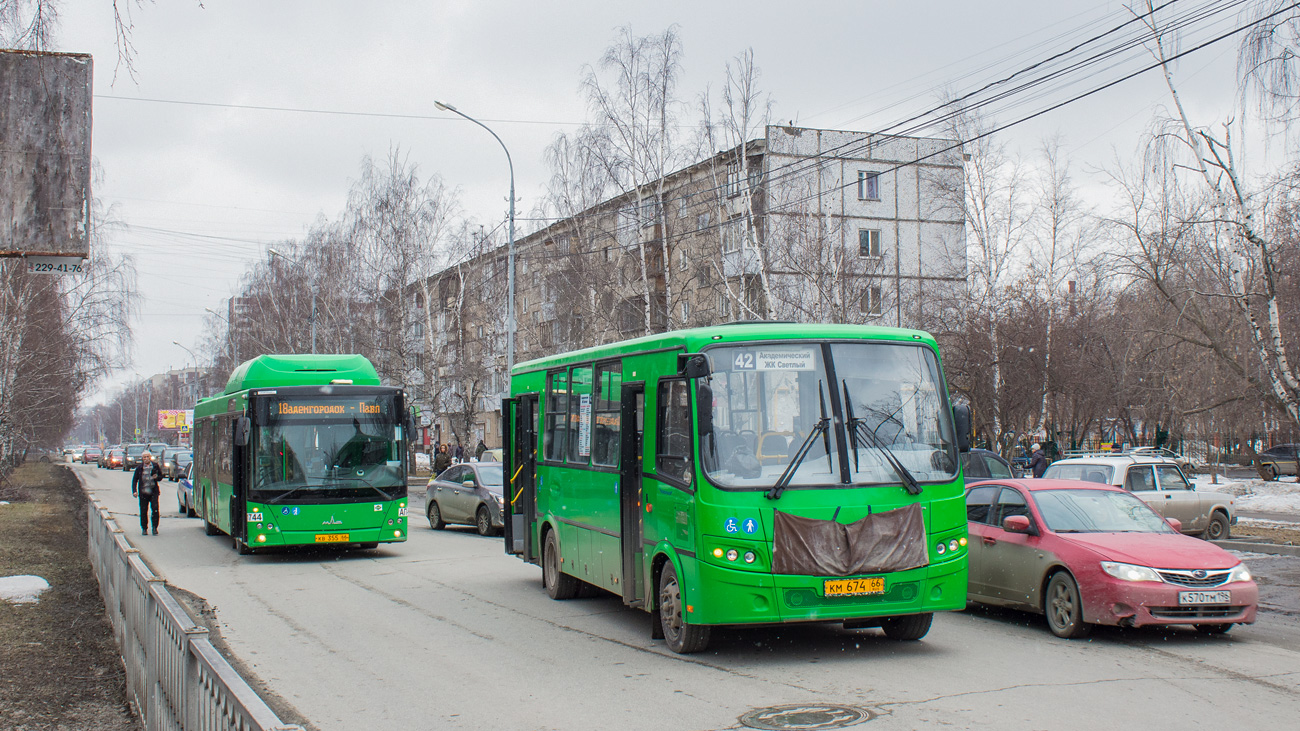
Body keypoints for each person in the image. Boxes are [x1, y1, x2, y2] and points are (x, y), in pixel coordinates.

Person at [132, 452, 165, 535]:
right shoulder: (139, 468)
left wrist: (156, 477)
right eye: (144, 457)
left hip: (153, 492)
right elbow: (135, 480)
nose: (146, 458)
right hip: (143, 493)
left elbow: (161, 477)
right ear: (142, 459)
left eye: (147, 457)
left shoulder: (155, 466)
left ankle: (154, 527)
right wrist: (134, 491)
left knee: (155, 509)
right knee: (143, 511)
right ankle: (144, 528)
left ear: (150, 457)